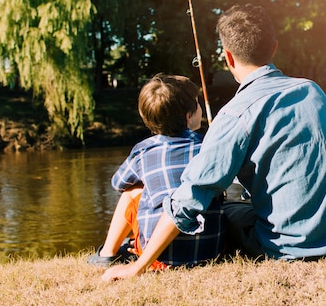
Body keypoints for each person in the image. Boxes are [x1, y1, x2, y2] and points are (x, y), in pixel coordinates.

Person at [102, 4, 326, 280]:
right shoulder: (313, 91)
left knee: (225, 208)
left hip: (292, 248)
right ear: (274, 48)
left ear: (228, 57)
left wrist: (138, 267)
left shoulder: (233, 114)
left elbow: (188, 198)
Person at [87, 74, 225, 269]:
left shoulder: (143, 151)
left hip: (159, 259)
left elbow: (117, 183)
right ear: (188, 116)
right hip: (209, 251)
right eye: (197, 103)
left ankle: (107, 253)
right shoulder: (208, 147)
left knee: (133, 190)